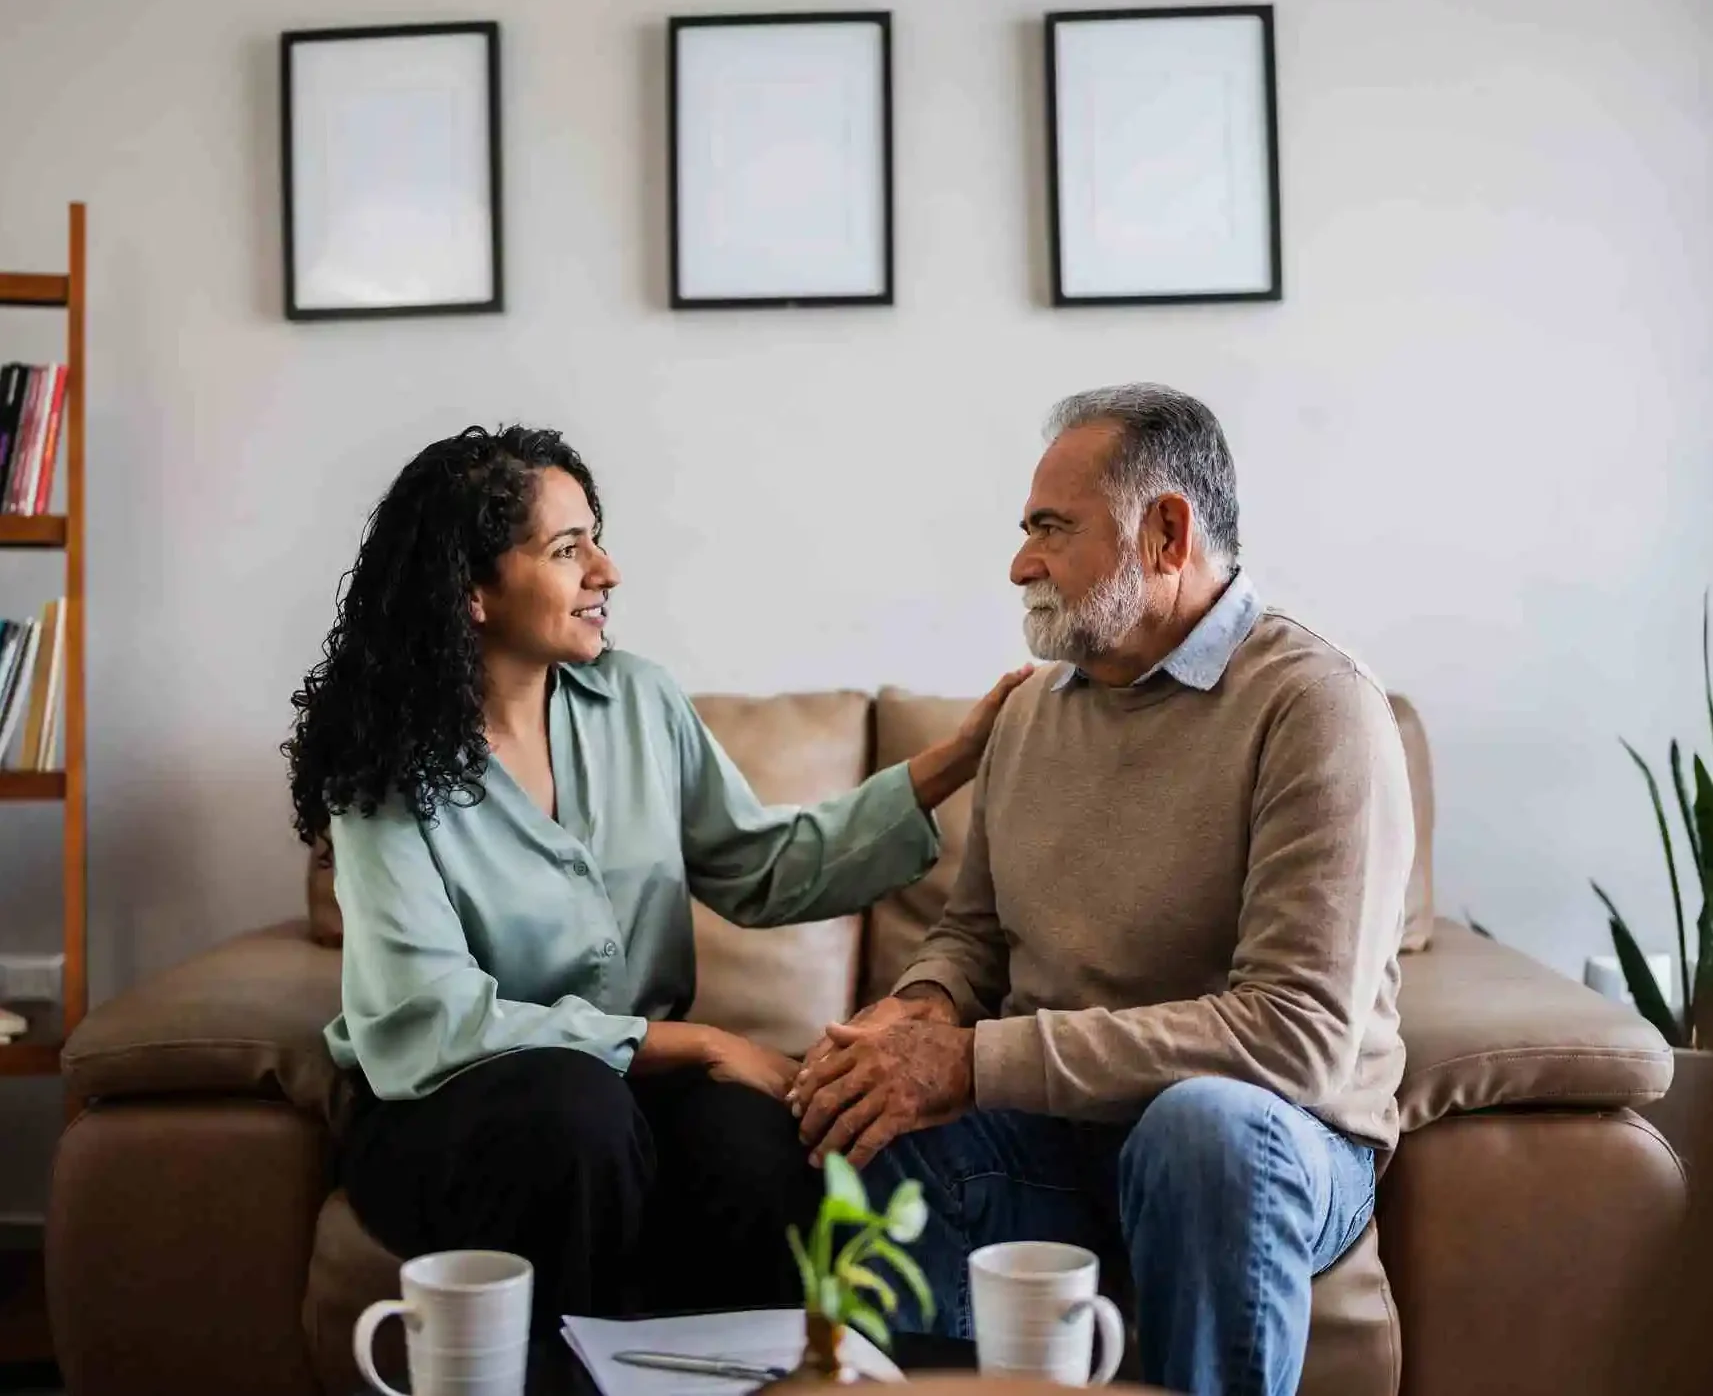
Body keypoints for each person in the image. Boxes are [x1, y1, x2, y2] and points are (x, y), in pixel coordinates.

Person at [283, 424, 1031, 1332]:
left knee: (757, 1147)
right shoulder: (385, 771)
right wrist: (703, 1044)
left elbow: (763, 866)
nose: (608, 570)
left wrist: (952, 759)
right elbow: (434, 1019)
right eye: (568, 549)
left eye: (596, 537)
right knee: (576, 1115)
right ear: (473, 591)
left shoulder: (638, 701)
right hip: (452, 1108)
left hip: (624, 1092)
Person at [788, 384, 1414, 1396]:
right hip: (1062, 1132)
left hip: (1270, 1139)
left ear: (1167, 533)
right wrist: (916, 1021)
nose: (1019, 564)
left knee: (1200, 1130)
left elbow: (1293, 1035)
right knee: (867, 1124)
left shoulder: (1315, 708)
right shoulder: (1034, 713)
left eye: (1051, 529)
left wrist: (974, 1060)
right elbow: (973, 934)